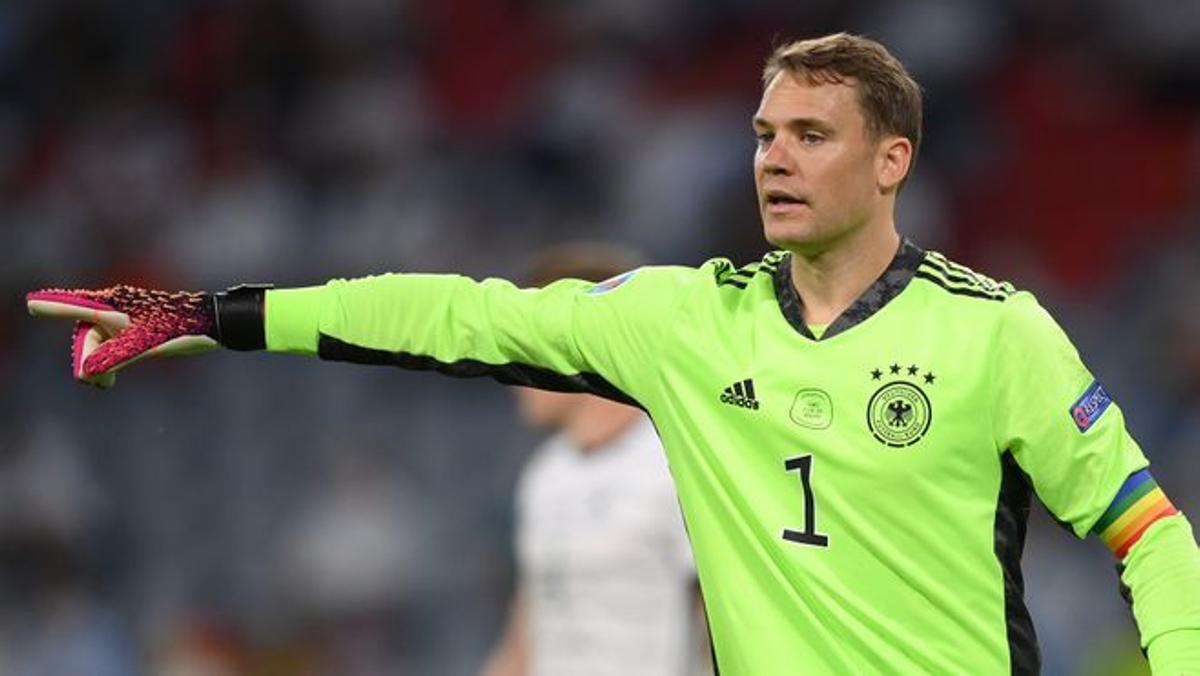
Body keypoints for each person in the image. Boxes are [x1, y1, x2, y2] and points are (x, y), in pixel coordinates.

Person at [26, 33, 1200, 674]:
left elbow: (1148, 531)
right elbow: (451, 315)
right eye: (762, 135)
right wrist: (204, 313)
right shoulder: (684, 320)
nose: (774, 159)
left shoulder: (995, 330)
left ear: (892, 160)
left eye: (811, 135)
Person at [481, 244, 706, 676]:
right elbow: (530, 628)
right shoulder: (544, 476)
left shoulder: (674, 464)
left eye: (526, 342)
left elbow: (717, 622)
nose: (508, 365)